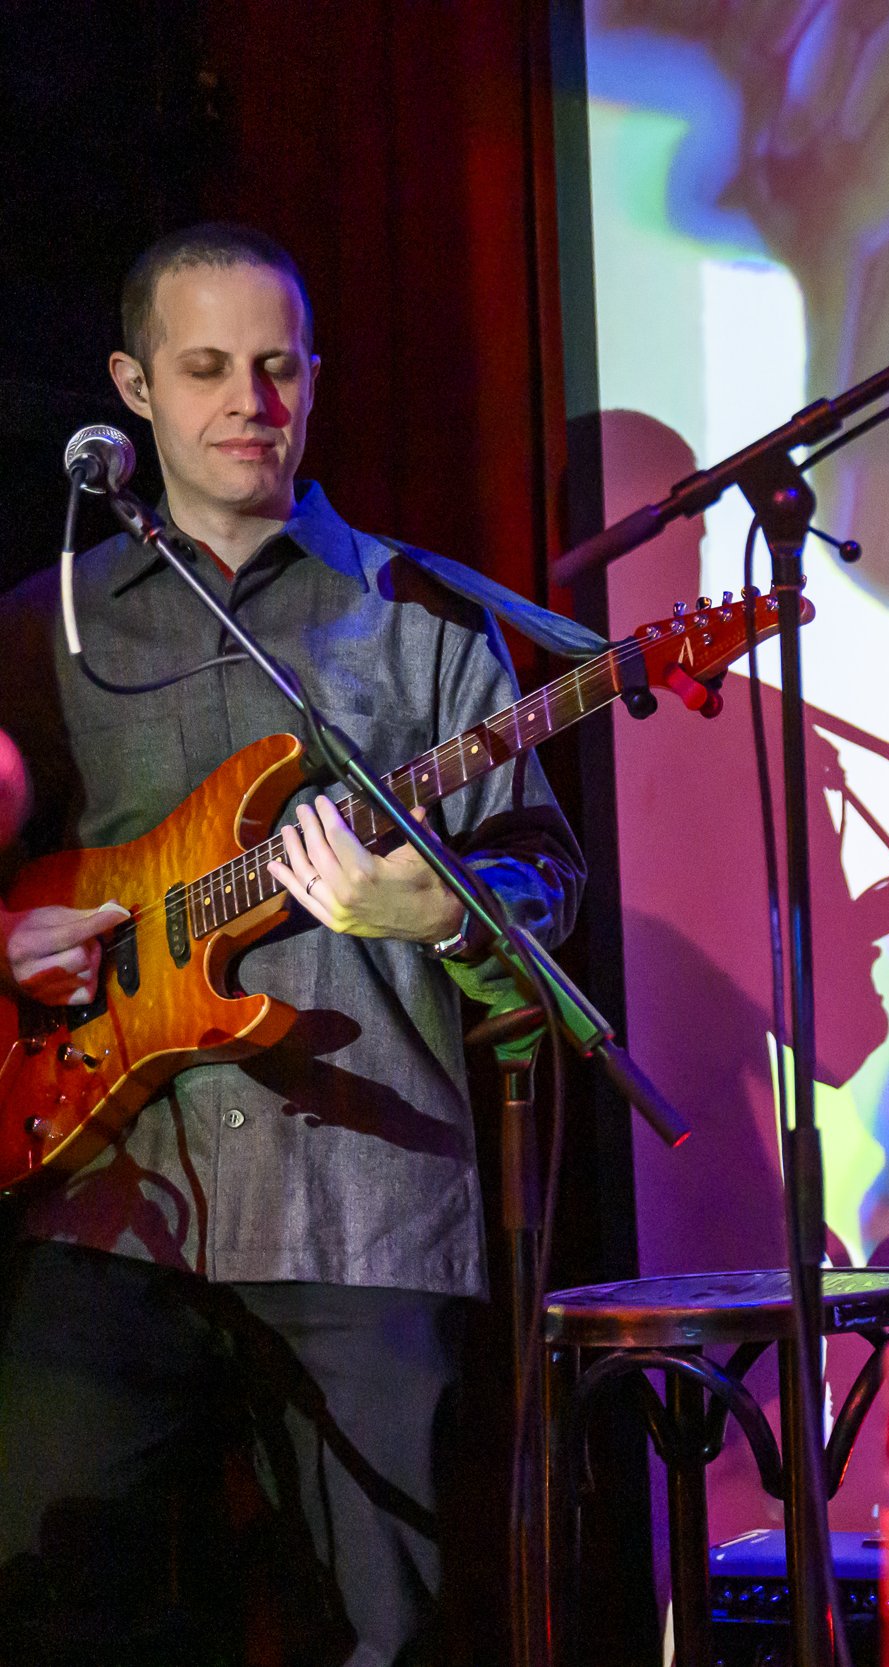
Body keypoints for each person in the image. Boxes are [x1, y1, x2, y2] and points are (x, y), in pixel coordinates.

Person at [0, 223, 582, 1663]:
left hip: (362, 1203)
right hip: (105, 1202)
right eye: (206, 368)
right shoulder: (38, 631)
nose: (248, 401)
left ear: (316, 378)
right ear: (133, 386)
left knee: (384, 1636)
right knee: (61, 1611)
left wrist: (443, 911)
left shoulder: (421, 617)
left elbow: (543, 878)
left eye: (277, 367)